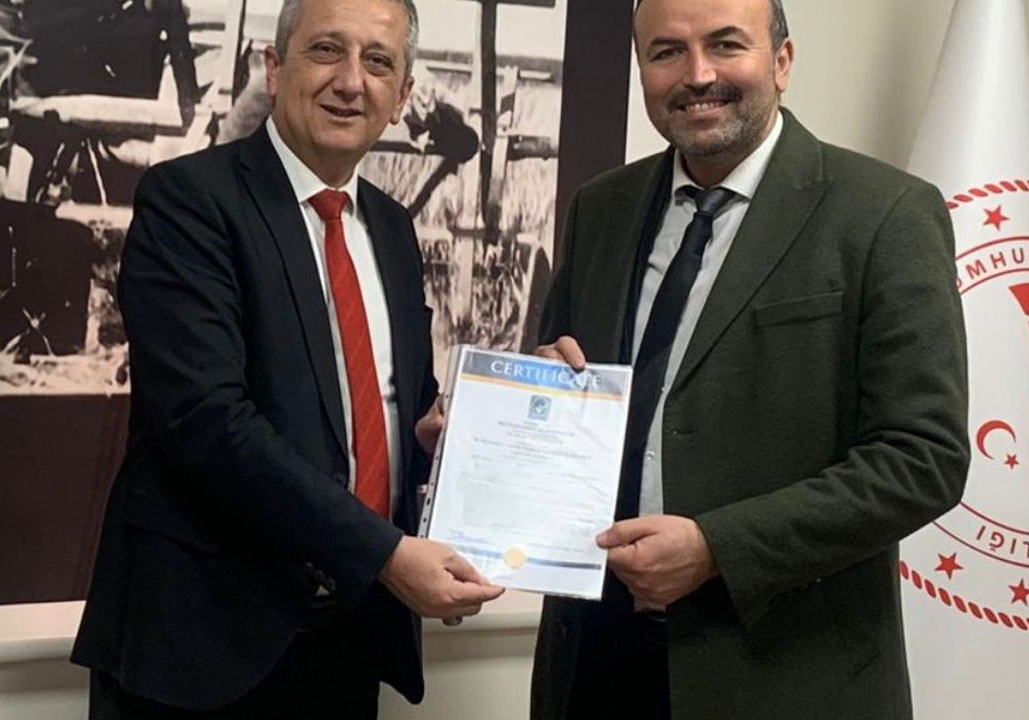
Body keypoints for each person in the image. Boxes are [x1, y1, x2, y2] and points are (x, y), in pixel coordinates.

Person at [530, 0, 970, 718]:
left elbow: (923, 459)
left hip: (783, 676)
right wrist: (535, 398)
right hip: (593, 664)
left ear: (782, 61)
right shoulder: (600, 209)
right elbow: (569, 382)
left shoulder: (884, 214)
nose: (697, 75)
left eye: (726, 45)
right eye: (666, 52)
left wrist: (716, 548)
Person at [71, 0, 503, 717]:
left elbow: (391, 406)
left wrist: (449, 435)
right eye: (326, 50)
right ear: (274, 69)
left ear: (401, 97)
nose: (351, 81)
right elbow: (207, 421)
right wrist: (384, 554)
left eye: (378, 62)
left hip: (347, 639)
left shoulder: (392, 230)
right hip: (203, 650)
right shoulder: (189, 200)